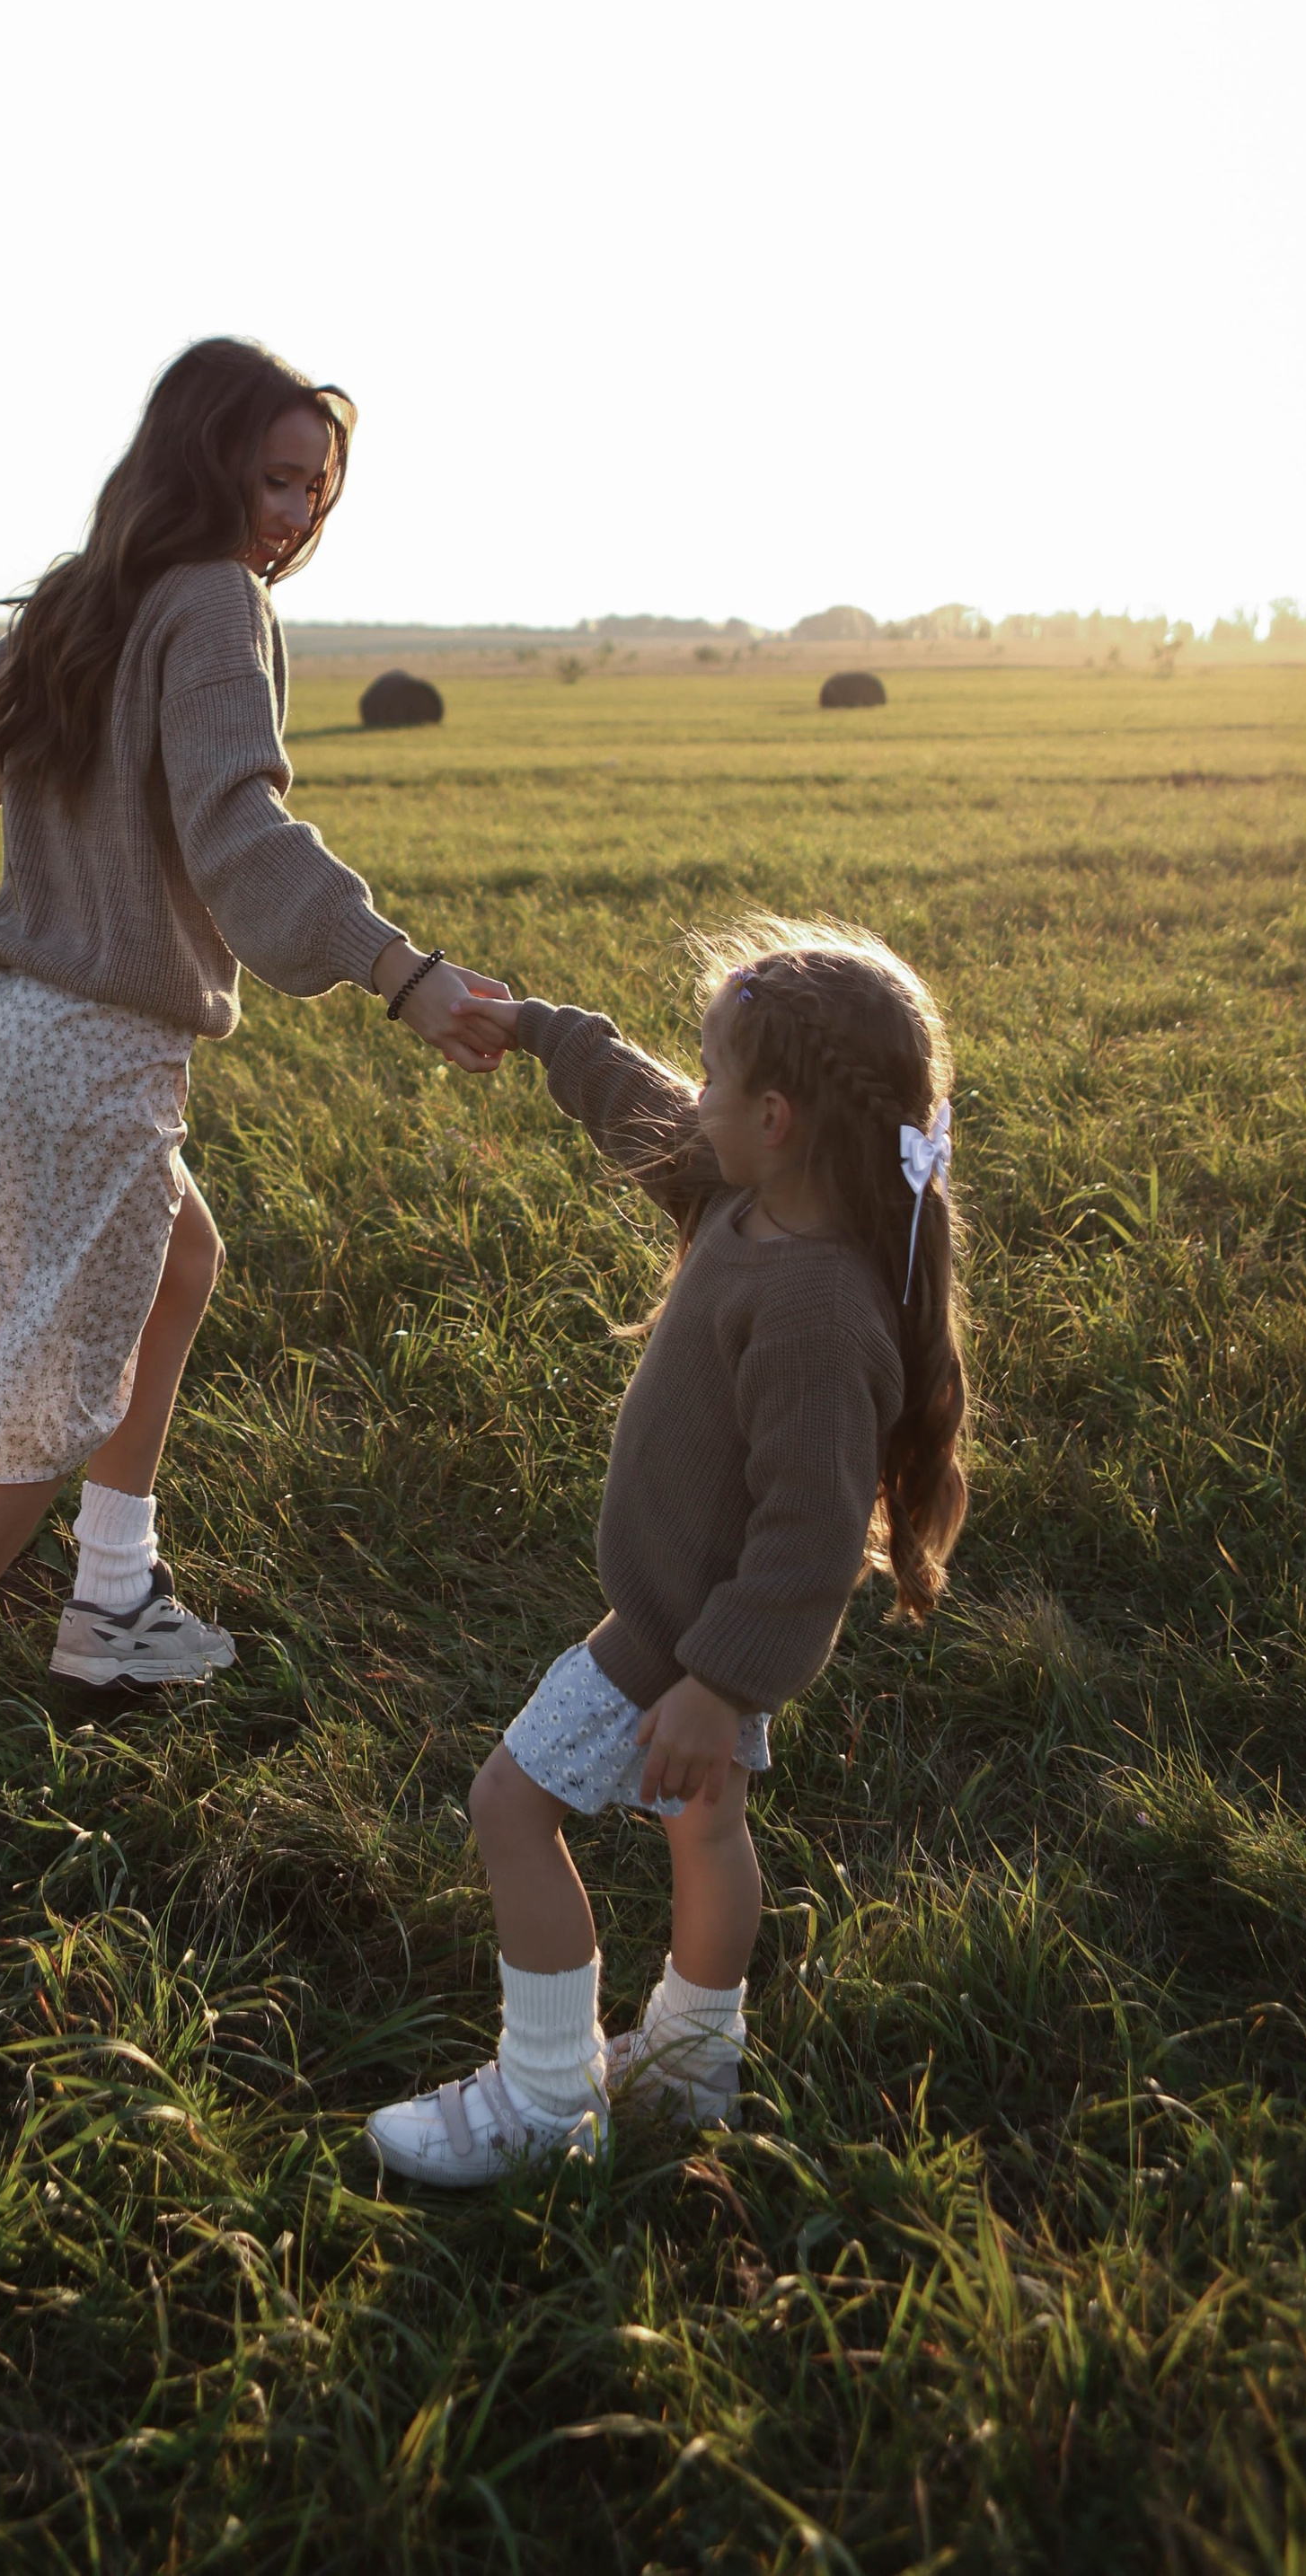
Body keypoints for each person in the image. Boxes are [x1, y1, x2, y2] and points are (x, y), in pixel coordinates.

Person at [0, 337, 507, 1877]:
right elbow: (240, 831)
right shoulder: (213, 605)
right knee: (43, 1405)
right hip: (93, 1049)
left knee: (180, 1264)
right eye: (279, 475)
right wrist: (401, 972)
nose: (295, 511)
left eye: (320, 486)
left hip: (17, 1026)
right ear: (205, 459)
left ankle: (112, 1604)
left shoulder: (75, 606)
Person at [366, 921, 970, 2185]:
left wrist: (717, 1682)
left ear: (779, 1114)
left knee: (509, 1807)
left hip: (674, 1646)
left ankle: (544, 2102)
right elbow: (633, 1098)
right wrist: (537, 1029)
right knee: (707, 1828)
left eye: (714, 1076)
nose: (690, 1095)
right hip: (694, 1639)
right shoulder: (743, 1192)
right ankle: (693, 2064)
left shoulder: (816, 1308)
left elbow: (810, 1541)